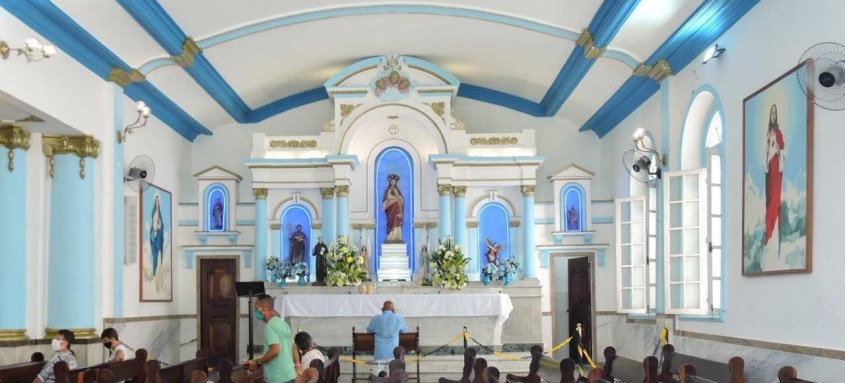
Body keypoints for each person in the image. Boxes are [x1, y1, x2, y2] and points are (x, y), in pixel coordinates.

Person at [245, 294, 301, 383]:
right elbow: (293, 347)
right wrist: (298, 367)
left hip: (279, 377)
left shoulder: (270, 326)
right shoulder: (283, 324)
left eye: (256, 308)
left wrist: (257, 363)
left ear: (265, 308)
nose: (255, 311)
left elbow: (275, 350)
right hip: (290, 375)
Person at [764, 104, 785, 254]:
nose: (773, 116)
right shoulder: (767, 133)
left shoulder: (778, 133)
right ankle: (768, 233)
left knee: (775, 201)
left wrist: (778, 150)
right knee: (769, 199)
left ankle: (773, 233)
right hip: (768, 169)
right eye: (771, 113)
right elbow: (764, 152)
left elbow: (782, 148)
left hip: (776, 167)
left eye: (774, 113)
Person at [367, 301, 407, 375]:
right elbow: (404, 330)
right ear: (393, 309)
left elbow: (369, 330)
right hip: (393, 353)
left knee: (377, 374)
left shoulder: (376, 318)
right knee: (391, 374)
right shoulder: (398, 318)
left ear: (382, 309)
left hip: (379, 352)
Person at [382, 174, 404, 242]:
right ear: (390, 182)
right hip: (390, 209)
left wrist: (400, 198)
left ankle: (397, 237)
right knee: (390, 222)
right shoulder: (387, 190)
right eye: (391, 182)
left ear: (395, 183)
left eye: (394, 182)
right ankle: (390, 236)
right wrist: (384, 205)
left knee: (397, 222)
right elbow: (386, 199)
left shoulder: (397, 190)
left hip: (397, 209)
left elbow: (401, 199)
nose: (393, 183)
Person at [149, 194, 165, 276]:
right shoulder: (153, 212)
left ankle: (156, 273)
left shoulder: (160, 214)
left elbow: (162, 226)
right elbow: (152, 224)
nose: (157, 202)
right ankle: (154, 272)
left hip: (158, 236)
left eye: (158, 201)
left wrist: (159, 226)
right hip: (153, 237)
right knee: (154, 256)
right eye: (156, 201)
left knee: (158, 256)